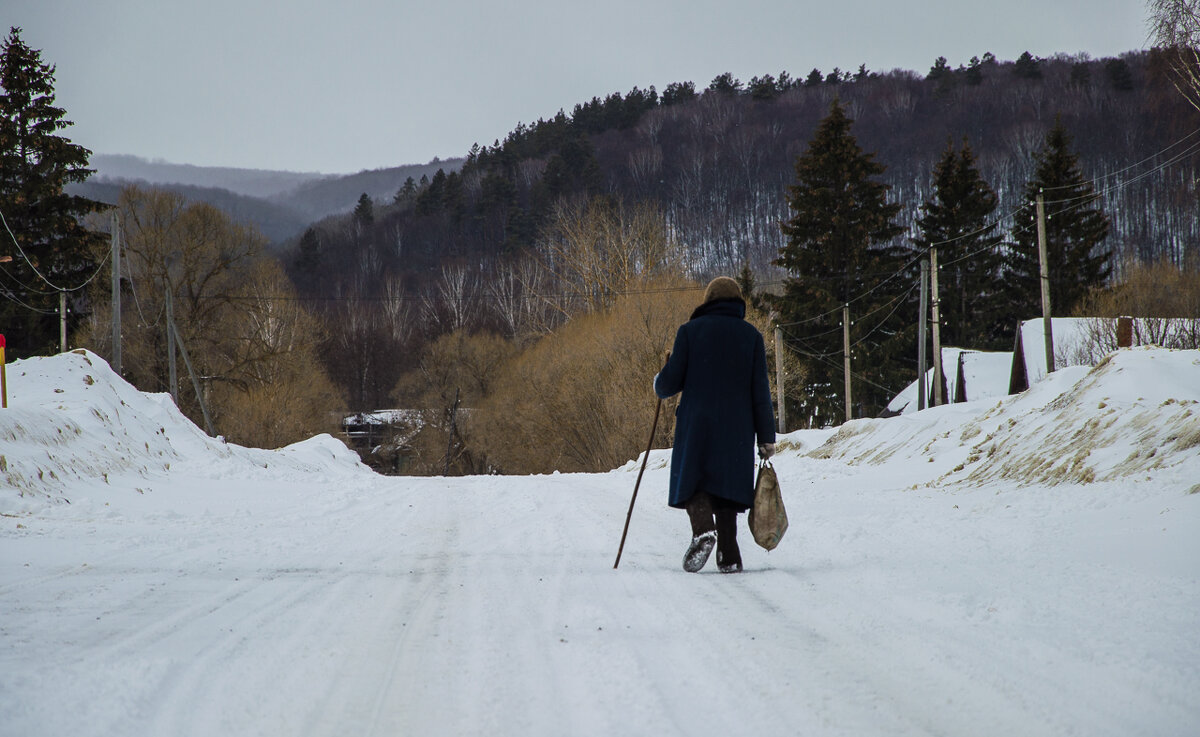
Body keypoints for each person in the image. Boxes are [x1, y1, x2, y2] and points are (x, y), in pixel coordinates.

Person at [654, 277, 776, 573]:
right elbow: (761, 391)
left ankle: (702, 529)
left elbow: (667, 385)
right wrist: (766, 438)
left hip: (698, 423)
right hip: (737, 425)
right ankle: (729, 556)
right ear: (737, 303)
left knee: (693, 479)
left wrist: (664, 371)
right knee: (727, 487)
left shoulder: (689, 332)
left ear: (707, 302)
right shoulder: (751, 337)